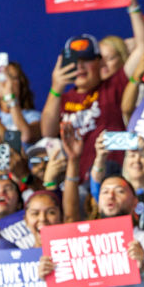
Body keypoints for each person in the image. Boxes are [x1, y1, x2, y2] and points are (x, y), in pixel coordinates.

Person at [40, 34, 128, 183]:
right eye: (74, 61)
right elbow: (47, 132)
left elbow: (141, 47)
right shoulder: (61, 98)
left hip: (112, 178)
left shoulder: (113, 87)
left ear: (99, 62)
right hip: (77, 183)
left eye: (86, 60)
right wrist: (56, 87)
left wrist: (134, 9)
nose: (80, 66)